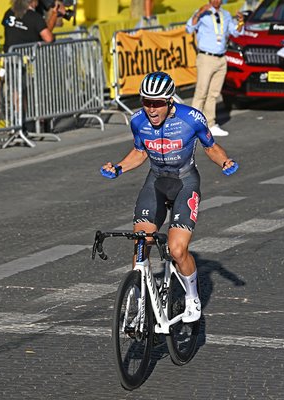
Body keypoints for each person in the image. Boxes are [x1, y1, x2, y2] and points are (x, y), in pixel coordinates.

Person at [100, 72, 239, 323]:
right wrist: (119, 167)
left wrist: (224, 161)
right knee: (141, 242)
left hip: (185, 182)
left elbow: (211, 146)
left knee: (176, 250)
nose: (151, 109)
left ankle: (192, 297)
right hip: (156, 182)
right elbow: (139, 152)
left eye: (157, 103)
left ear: (170, 102)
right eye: (146, 102)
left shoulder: (191, 118)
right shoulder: (137, 121)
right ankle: (141, 304)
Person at [186, 0, 244, 137]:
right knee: (201, 92)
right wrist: (199, 12)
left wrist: (241, 22)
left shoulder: (226, 14)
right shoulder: (202, 13)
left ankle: (210, 124)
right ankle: (191, 126)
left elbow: (236, 33)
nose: (216, 1)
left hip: (221, 58)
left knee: (213, 93)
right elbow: (189, 28)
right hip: (206, 57)